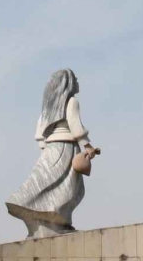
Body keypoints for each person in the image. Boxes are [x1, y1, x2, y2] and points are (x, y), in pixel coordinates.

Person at [6, 68, 95, 238]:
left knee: (47, 182)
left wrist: (46, 147)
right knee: (68, 188)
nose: (78, 82)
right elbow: (75, 126)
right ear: (67, 83)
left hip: (51, 148)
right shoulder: (71, 102)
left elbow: (39, 132)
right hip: (66, 147)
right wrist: (88, 146)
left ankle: (51, 221)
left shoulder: (49, 105)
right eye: (75, 79)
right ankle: (52, 223)